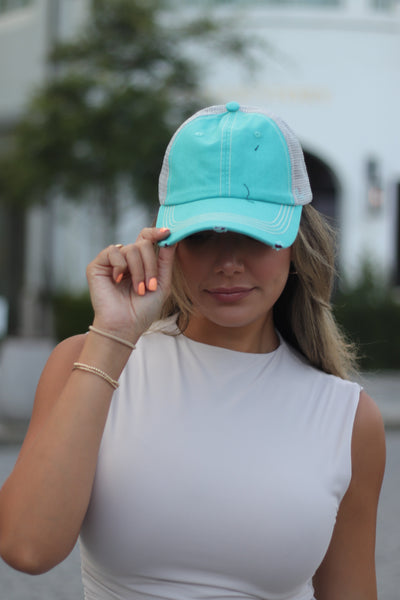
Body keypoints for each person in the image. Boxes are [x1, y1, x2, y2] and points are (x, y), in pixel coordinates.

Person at [0, 102, 385, 600]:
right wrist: (113, 334)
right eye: (201, 235)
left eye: (253, 234)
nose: (228, 262)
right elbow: (27, 548)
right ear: (166, 241)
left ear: (295, 240)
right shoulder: (89, 362)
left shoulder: (347, 418)